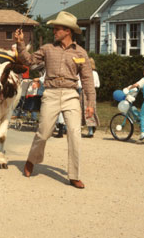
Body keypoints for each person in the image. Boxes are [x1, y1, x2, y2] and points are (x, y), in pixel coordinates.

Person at [15, 11, 96, 189]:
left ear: (68, 31)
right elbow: (28, 61)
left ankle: (74, 175)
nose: (54, 31)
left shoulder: (80, 52)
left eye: (57, 29)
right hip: (51, 94)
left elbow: (88, 80)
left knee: (75, 134)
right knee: (43, 133)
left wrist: (90, 104)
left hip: (71, 95)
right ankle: (31, 160)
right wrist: (20, 43)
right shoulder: (47, 49)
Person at [79, 57, 100, 138]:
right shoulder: (95, 73)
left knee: (85, 110)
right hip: (93, 92)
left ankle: (90, 129)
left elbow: (79, 84)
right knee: (92, 109)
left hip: (85, 92)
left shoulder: (83, 73)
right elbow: (98, 84)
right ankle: (92, 126)